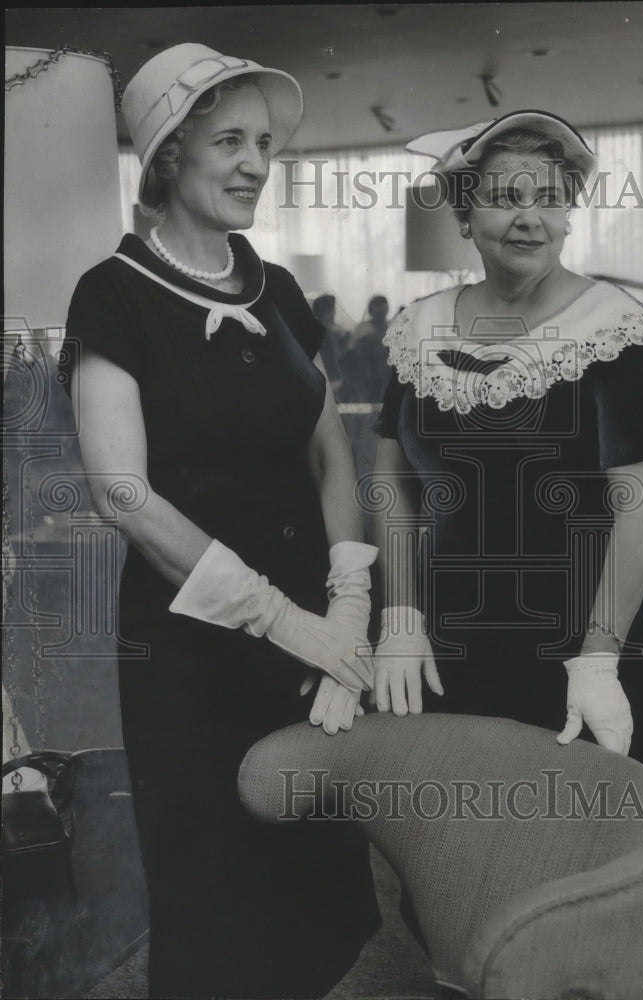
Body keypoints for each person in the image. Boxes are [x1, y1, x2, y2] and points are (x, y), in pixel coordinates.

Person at [60, 44, 380, 999]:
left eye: (266, 145)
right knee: (219, 899)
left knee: (322, 880)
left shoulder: (275, 290)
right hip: (195, 650)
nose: (254, 163)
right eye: (229, 140)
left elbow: (329, 452)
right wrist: (289, 623)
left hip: (321, 636)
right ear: (167, 156)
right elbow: (123, 493)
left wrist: (350, 608)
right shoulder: (112, 294)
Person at [371, 110, 643, 771]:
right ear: (463, 216)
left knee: (578, 849)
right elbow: (393, 484)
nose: (530, 218)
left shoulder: (618, 330)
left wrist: (598, 658)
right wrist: (400, 618)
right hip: (446, 638)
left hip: (574, 643)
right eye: (505, 198)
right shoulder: (416, 328)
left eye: (550, 198)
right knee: (452, 846)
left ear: (569, 215)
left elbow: (640, 507)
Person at [341, 294, 391, 402]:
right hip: (366, 371)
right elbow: (352, 350)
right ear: (372, 310)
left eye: (383, 308)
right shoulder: (363, 328)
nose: (381, 311)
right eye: (378, 308)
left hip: (386, 370)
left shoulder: (391, 327)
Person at [312, 292, 353, 397]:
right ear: (326, 311)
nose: (334, 312)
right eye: (332, 309)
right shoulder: (329, 330)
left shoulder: (317, 327)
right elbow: (336, 354)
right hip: (333, 377)